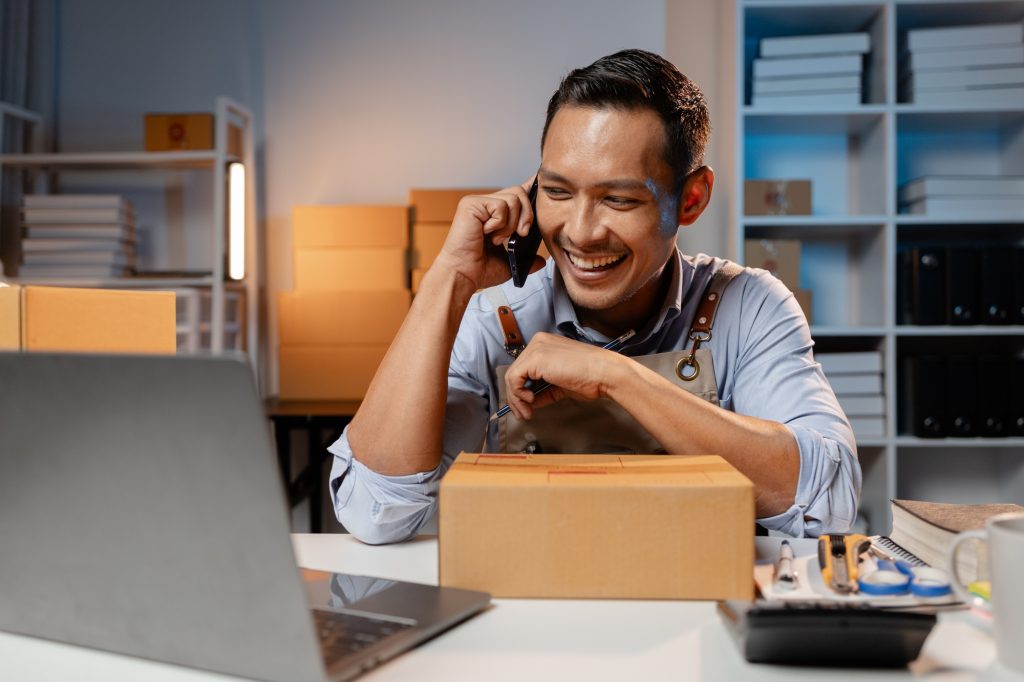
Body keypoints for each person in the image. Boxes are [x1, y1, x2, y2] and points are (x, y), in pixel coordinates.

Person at [328, 49, 860, 544]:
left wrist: (616, 377)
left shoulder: (749, 304)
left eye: (619, 199)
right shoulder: (495, 313)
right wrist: (448, 279)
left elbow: (828, 500)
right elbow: (376, 511)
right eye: (557, 192)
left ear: (691, 199)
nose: (580, 233)